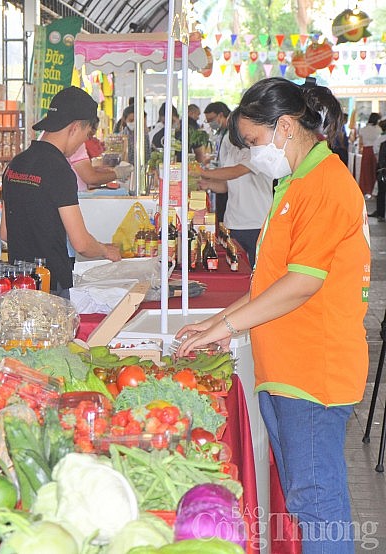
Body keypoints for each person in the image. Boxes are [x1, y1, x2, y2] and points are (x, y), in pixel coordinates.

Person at [175, 77, 369, 554]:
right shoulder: (294, 182)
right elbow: (271, 282)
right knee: (306, 504)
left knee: (317, 505)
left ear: (284, 127)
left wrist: (224, 326)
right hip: (284, 370)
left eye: (255, 143)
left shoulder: (324, 184)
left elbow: (303, 284)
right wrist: (217, 322)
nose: (253, 155)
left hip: (313, 374)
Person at [0, 86, 121, 297]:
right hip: (51, 284)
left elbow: (5, 233)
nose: (81, 144)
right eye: (84, 136)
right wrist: (105, 250)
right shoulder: (59, 170)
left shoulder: (16, 164)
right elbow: (81, 243)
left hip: (18, 283)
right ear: (74, 127)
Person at [198, 101, 273, 267]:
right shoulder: (233, 149)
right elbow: (227, 185)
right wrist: (208, 184)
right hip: (233, 222)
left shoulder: (258, 150)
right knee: (236, 268)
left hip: (256, 222)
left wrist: (202, 172)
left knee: (257, 272)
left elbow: (237, 171)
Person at [356, 112, 380, 197]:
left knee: (365, 171)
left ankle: (365, 190)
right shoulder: (378, 129)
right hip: (375, 151)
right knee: (373, 171)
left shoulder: (363, 129)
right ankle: (373, 191)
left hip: (366, 150)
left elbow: (360, 142)